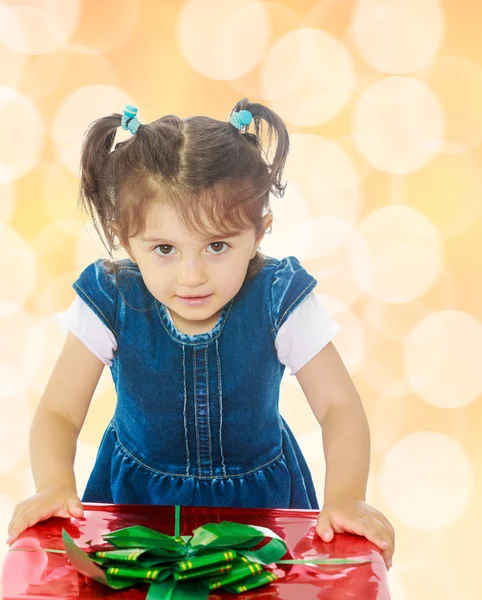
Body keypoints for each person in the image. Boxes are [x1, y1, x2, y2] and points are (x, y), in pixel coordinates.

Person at [7, 99, 394, 569]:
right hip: (135, 503)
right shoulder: (111, 298)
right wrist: (53, 484)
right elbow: (58, 411)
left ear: (259, 233)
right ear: (124, 238)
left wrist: (347, 496)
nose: (192, 276)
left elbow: (339, 407)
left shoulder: (277, 296)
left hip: (260, 508)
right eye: (165, 249)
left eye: (217, 246)